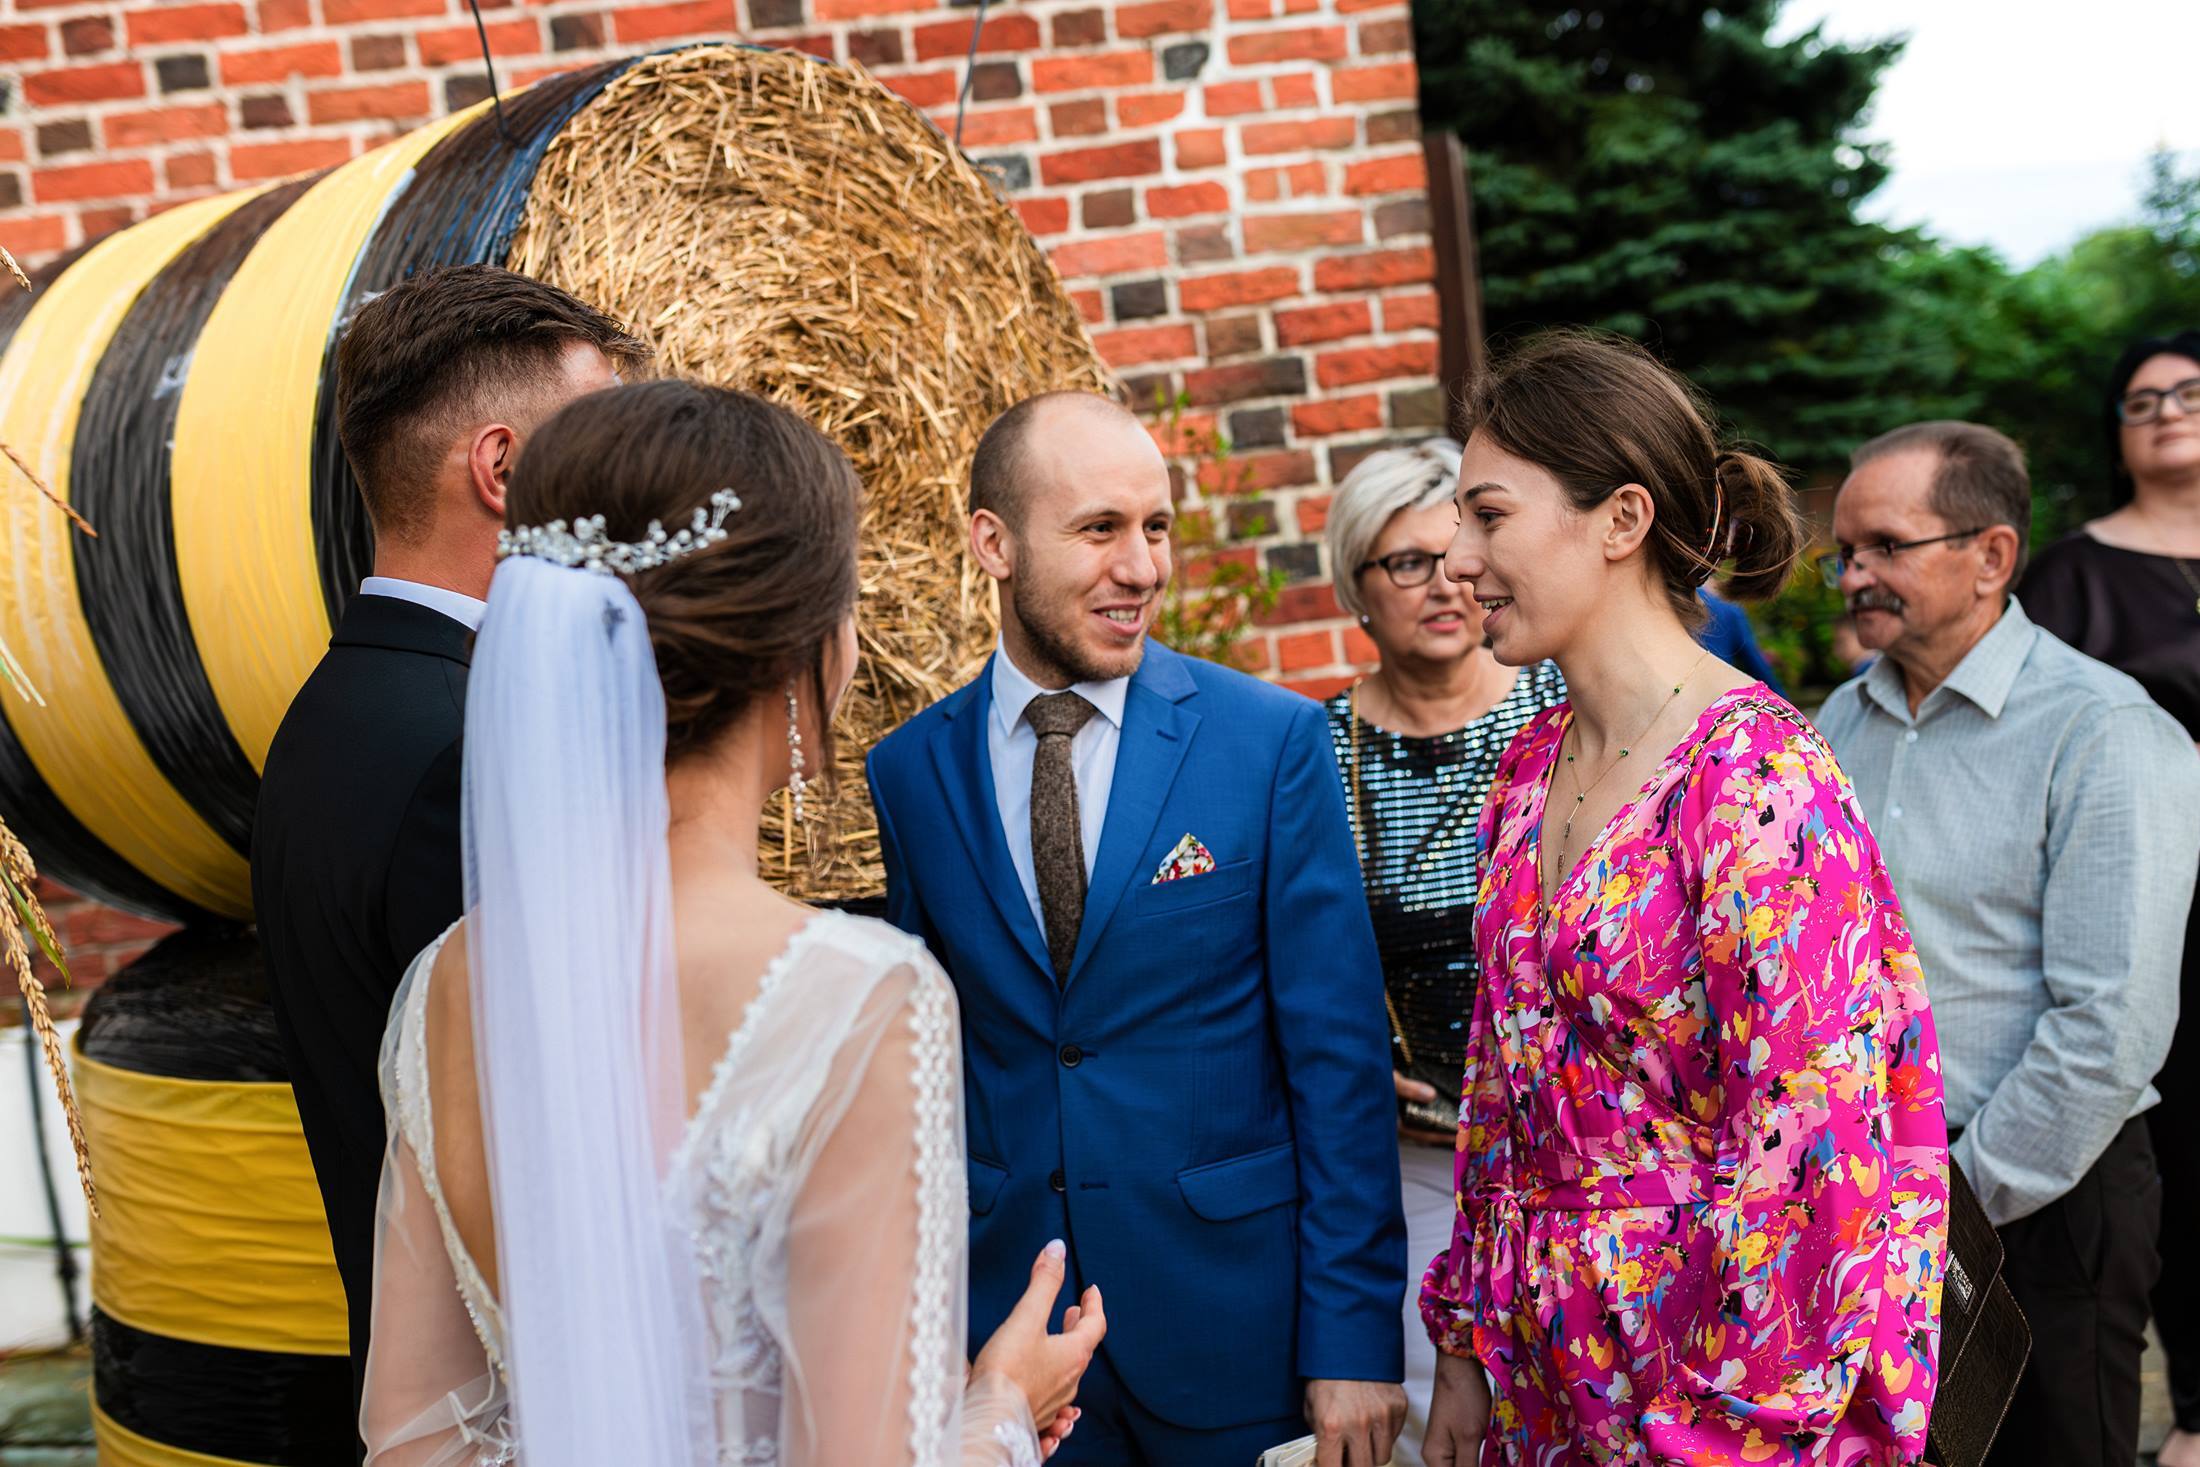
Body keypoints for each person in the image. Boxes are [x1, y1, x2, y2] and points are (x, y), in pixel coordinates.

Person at [359, 380, 1105, 1467]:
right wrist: (997, 1409)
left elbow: (416, 1439)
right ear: (808, 653)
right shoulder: (857, 997)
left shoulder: (443, 984)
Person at [1420, 332, 1950, 1467]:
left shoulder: (1753, 779)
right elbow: (1498, 1079)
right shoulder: (1529, 767)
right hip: (1542, 1375)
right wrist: (1463, 1341)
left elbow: (1814, 1153)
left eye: (1489, 515)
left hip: (1706, 1379)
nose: (1455, 558)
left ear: (1620, 519)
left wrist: (1728, 1436)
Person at [867, 392, 1408, 1467]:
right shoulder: (911, 772)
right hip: (1013, 1351)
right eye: (1099, 529)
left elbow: (1339, 1065)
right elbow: (932, 1072)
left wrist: (1354, 1337)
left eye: (1155, 527)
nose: (1142, 567)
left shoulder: (1269, 743)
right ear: (994, 544)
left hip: (1237, 1336)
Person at [253, 264, 648, 1432]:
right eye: (603, 448)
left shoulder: (322, 718)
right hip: (520, 1399)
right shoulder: (471, 750)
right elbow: (532, 1146)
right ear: (503, 469)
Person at [1817, 419, 2200, 1467]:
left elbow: (2111, 1026)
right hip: (1870, 1201)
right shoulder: (1836, 724)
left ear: (1990, 555)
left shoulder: (2102, 728)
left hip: (2049, 1199)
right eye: (1844, 552)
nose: (1854, 576)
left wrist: (1955, 1200)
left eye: (1885, 546)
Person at [1317, 437, 1564, 1467]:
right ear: (1356, 587)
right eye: (1406, 562)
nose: (1444, 582)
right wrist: (1346, 1065)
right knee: (1442, 1429)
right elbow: (1294, 958)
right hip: (1415, 1160)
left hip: (1566, 1147)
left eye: (1453, 551)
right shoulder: (1314, 752)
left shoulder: (1561, 713)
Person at [2020, 333, 2200, 1467]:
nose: (2166, 410)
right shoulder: (2070, 576)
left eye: (2188, 392)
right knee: (2183, 1152)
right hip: (2164, 915)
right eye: (2141, 401)